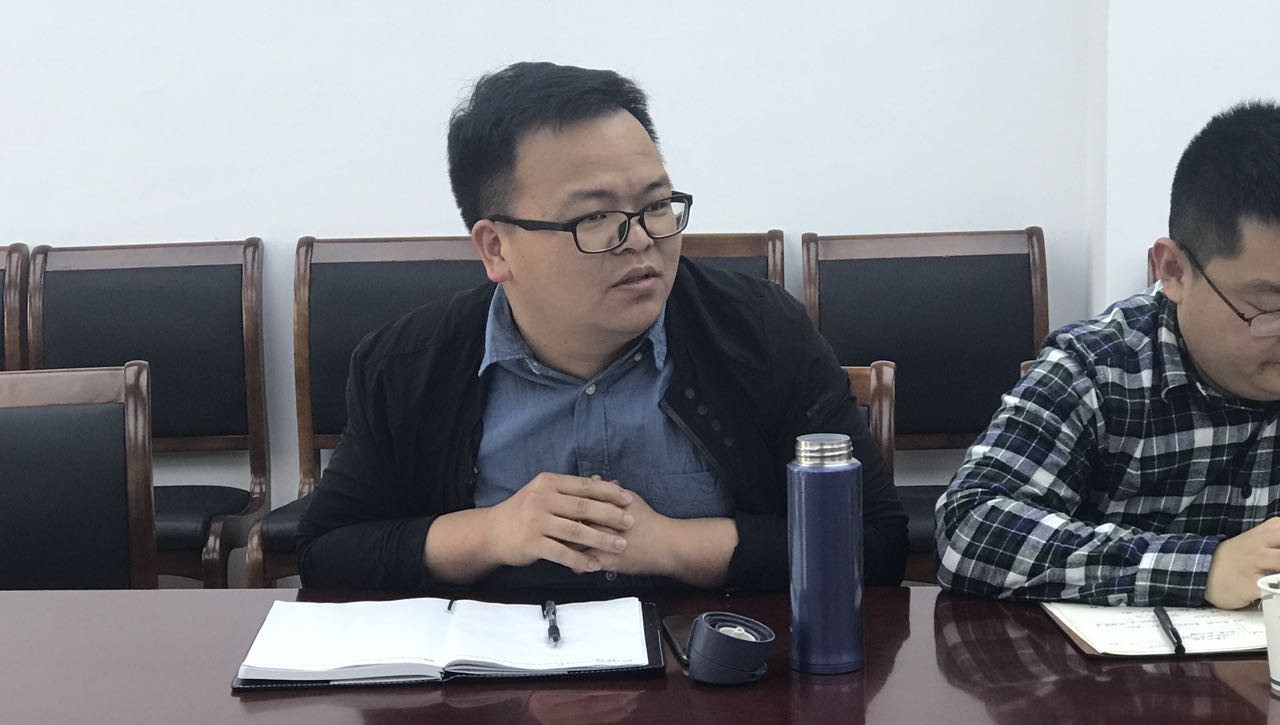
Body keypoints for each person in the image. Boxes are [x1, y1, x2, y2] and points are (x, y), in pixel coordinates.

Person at [297, 62, 906, 592]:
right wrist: (493, 532)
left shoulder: (760, 333)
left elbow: (874, 541)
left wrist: (670, 546)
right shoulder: (406, 365)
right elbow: (326, 551)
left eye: (656, 205)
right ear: (496, 248)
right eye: (594, 218)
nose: (641, 240)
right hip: (498, 672)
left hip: (710, 666)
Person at [937, 100, 1280, 608]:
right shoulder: (1097, 368)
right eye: (1269, 306)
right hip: (1117, 660)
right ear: (1173, 270)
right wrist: (1204, 568)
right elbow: (970, 529)